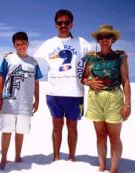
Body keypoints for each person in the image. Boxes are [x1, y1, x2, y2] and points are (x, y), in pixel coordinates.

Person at [33, 9, 90, 161]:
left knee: (73, 126)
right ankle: (56, 157)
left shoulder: (83, 43)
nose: (63, 25)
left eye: (66, 22)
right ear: (55, 25)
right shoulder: (48, 44)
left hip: (76, 93)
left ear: (72, 24)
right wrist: (11, 55)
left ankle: (72, 158)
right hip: (54, 93)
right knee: (57, 126)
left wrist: (117, 54)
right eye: (60, 22)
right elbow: (31, 60)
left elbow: (96, 60)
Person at [81, 25, 131, 173]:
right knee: (100, 135)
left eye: (107, 37)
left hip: (114, 98)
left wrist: (127, 104)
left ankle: (114, 169)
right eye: (101, 37)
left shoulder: (120, 57)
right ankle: (102, 166)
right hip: (95, 98)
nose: (104, 39)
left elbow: (126, 81)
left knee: (114, 137)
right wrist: (89, 82)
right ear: (98, 39)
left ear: (113, 40)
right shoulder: (91, 57)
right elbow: (83, 78)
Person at [0, 32, 43, 169]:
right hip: (9, 101)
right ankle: (3, 158)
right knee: (7, 130)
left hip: (25, 103)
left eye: (23, 43)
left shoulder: (33, 62)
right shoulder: (9, 58)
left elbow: (36, 82)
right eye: (18, 44)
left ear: (28, 43)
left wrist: (37, 100)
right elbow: (1, 77)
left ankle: (17, 156)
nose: (21, 46)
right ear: (14, 45)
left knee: (20, 131)